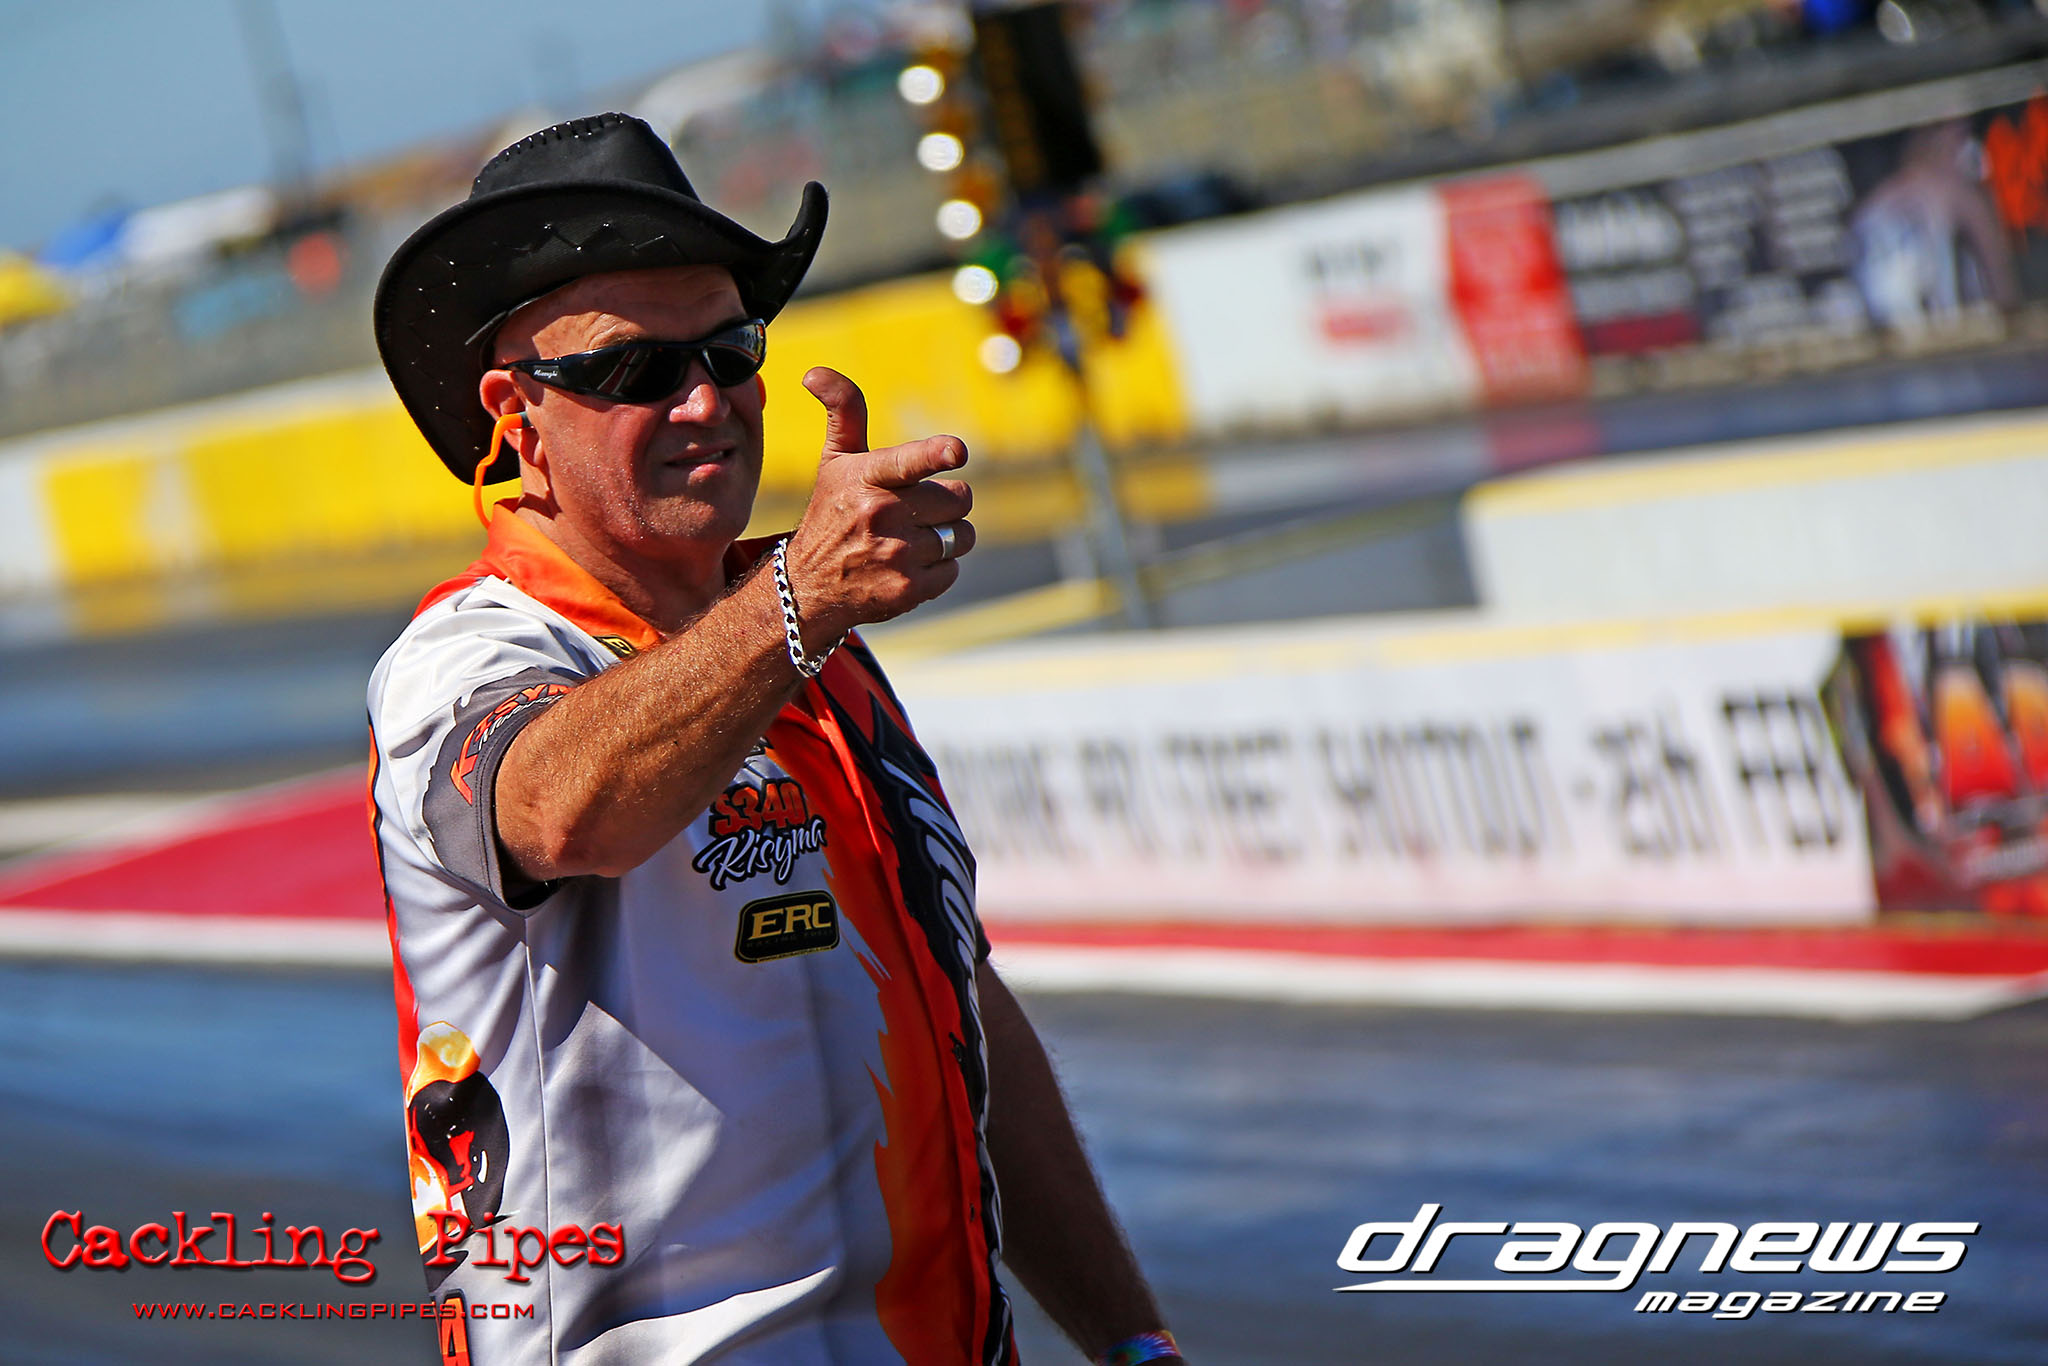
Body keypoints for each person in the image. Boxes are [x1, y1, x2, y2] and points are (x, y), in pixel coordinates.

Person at [367, 113, 1183, 1366]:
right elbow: (558, 809)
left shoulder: (812, 647)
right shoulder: (467, 656)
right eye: (635, 369)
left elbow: (956, 1009)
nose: (702, 399)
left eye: (728, 348)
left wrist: (1133, 1344)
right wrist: (798, 598)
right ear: (516, 417)